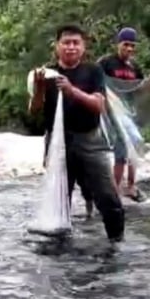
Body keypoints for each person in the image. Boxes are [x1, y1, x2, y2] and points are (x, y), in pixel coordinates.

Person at [29, 24, 125, 242]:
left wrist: (72, 91)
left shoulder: (93, 71)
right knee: (59, 197)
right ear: (57, 46)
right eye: (66, 43)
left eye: (75, 43)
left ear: (83, 47)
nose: (70, 47)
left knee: (107, 196)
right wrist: (40, 89)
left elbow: (98, 105)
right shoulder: (46, 73)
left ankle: (116, 244)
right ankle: (60, 251)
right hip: (56, 143)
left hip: (89, 140)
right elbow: (33, 111)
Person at [97, 27, 150, 202]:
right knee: (121, 150)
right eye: (126, 45)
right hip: (111, 112)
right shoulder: (106, 63)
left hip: (127, 113)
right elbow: (95, 81)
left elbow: (138, 91)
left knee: (136, 142)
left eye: (132, 46)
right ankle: (115, 190)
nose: (129, 49)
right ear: (118, 44)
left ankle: (130, 185)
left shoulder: (134, 67)